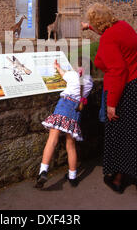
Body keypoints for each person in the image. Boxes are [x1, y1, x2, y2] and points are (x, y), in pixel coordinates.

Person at [81, 3, 137, 198]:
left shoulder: (108, 38)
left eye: (92, 23)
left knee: (121, 134)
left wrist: (111, 104)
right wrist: (90, 28)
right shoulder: (123, 26)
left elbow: (117, 71)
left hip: (128, 89)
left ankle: (118, 180)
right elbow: (115, 39)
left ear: (96, 22)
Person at [35, 59, 93, 188]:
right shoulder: (90, 82)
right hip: (77, 110)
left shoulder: (72, 75)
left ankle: (43, 171)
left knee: (52, 140)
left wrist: (57, 66)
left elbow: (63, 73)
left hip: (64, 106)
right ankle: (72, 177)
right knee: (71, 144)